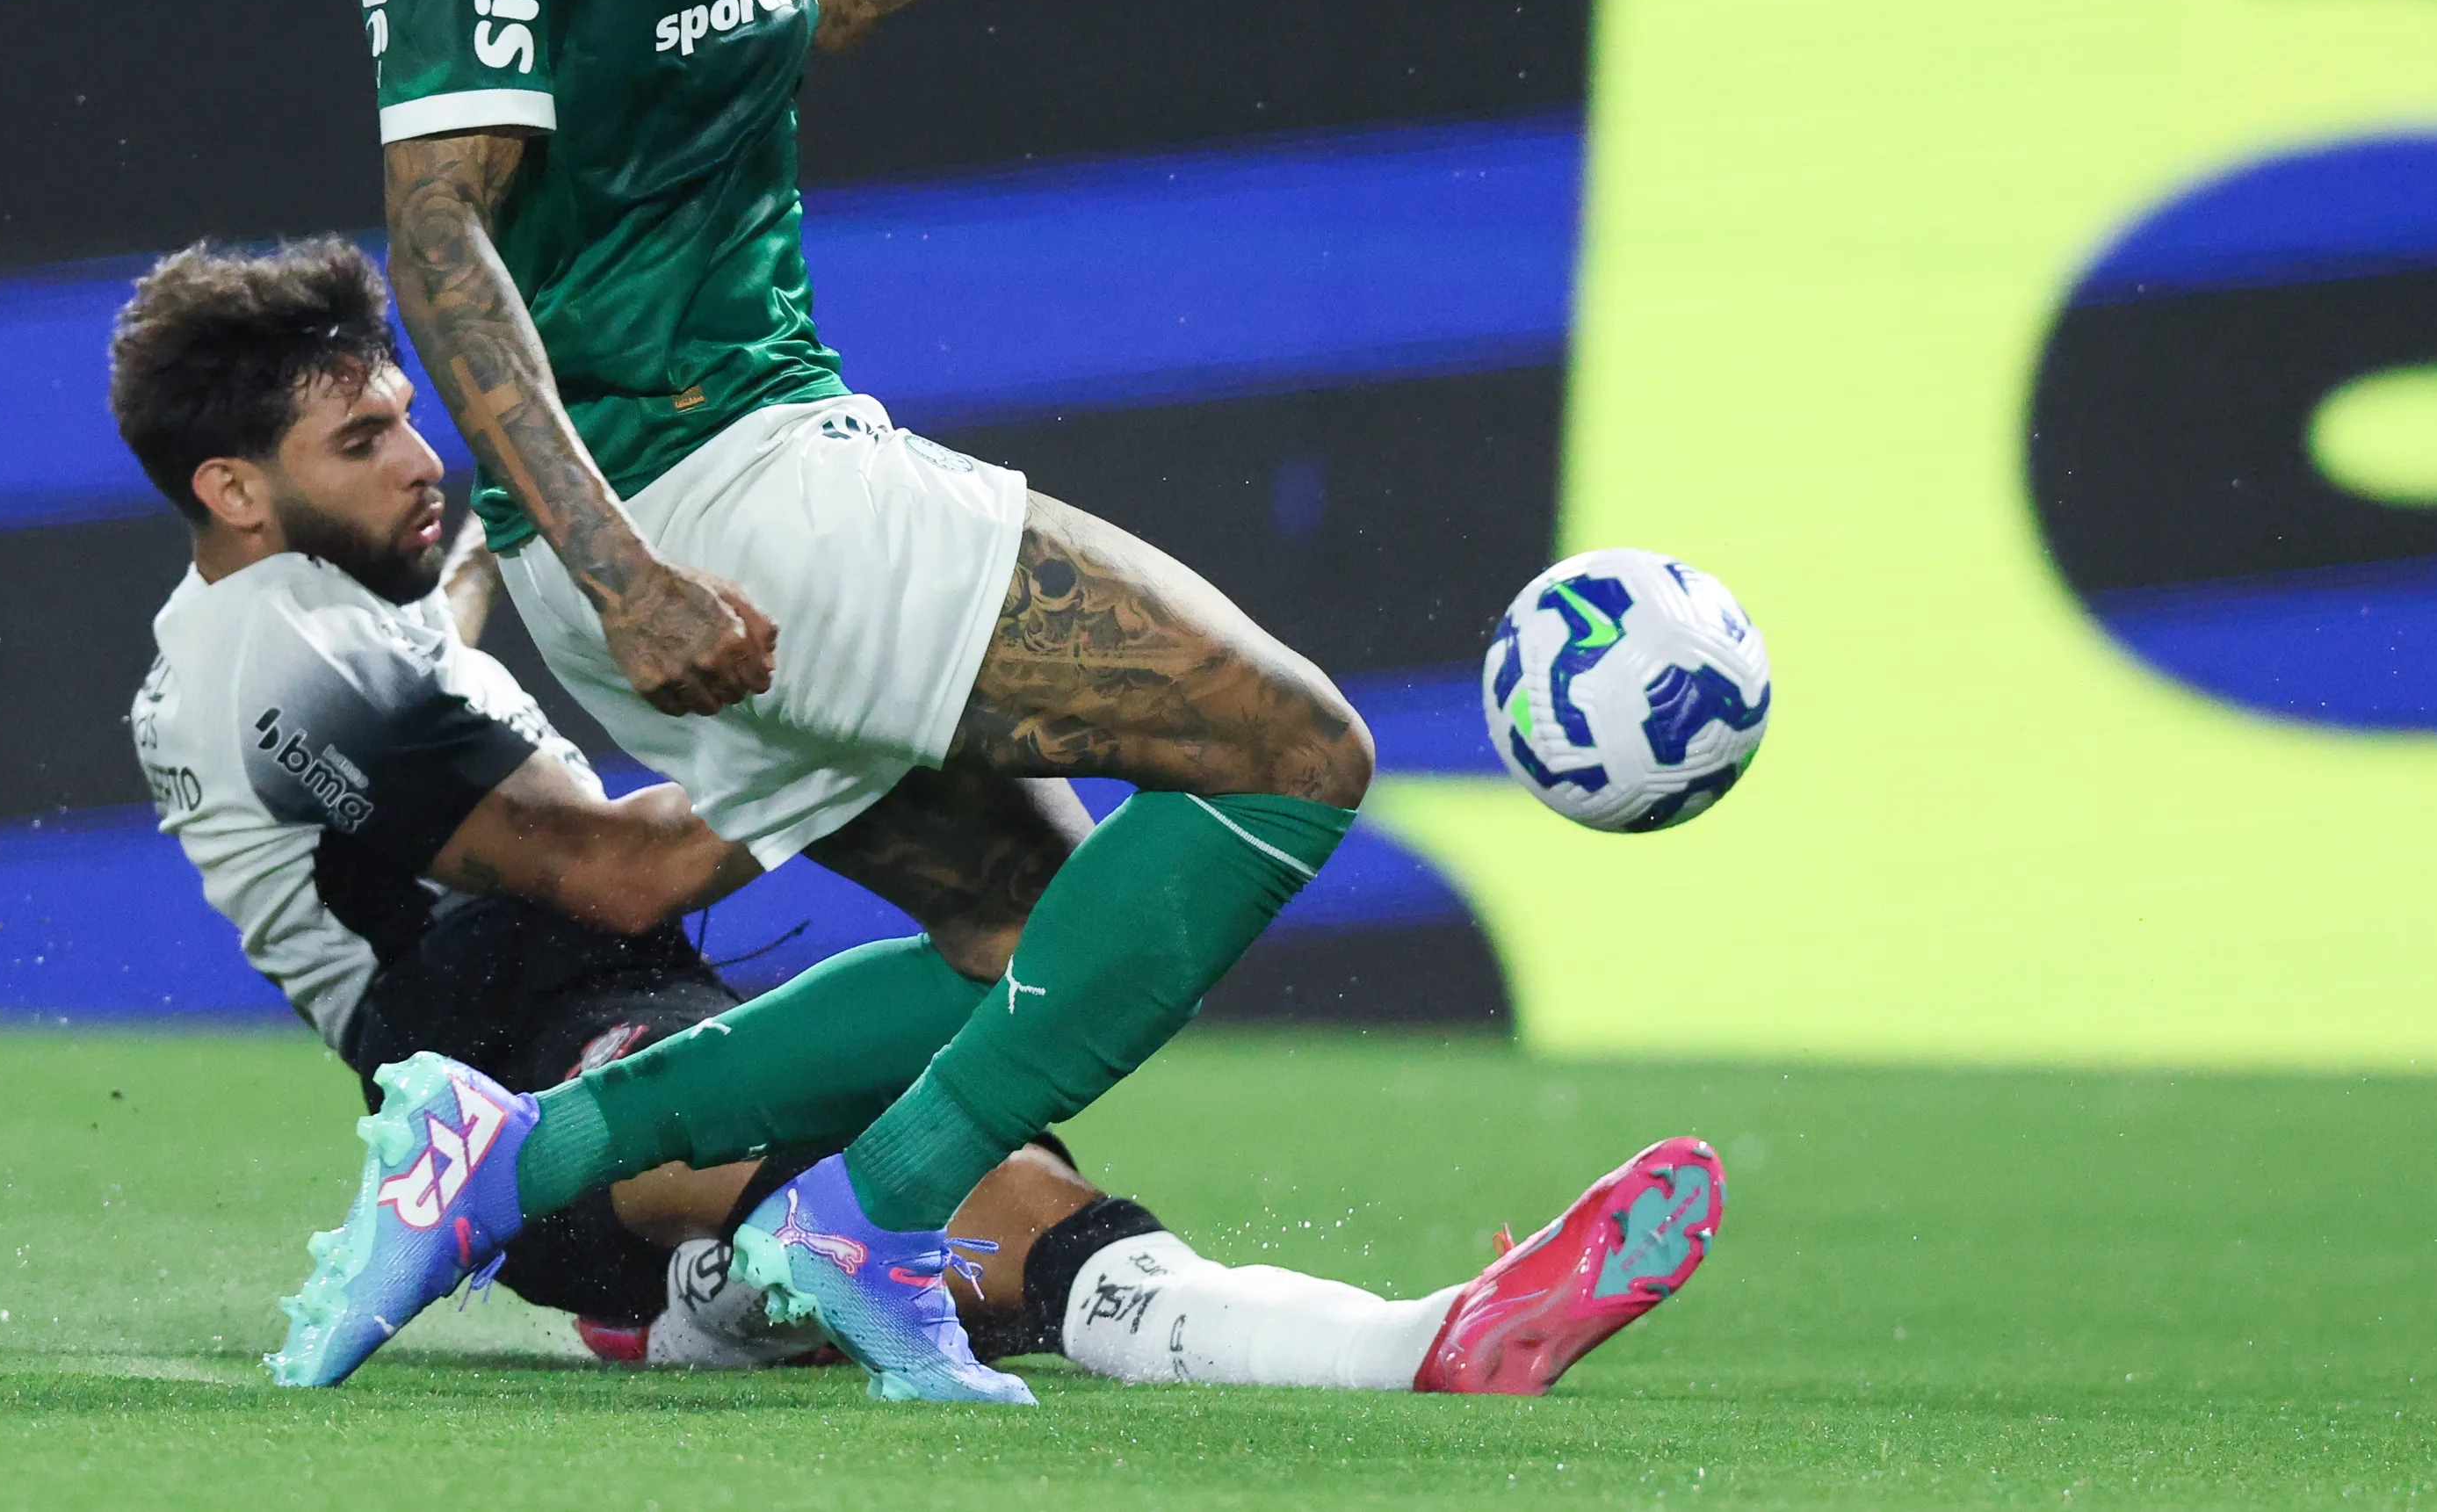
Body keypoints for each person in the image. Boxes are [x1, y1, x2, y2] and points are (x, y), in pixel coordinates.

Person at [288, 0, 1719, 1402]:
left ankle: (520, 1154)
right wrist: (613, 563)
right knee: (1288, 749)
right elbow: (438, 228)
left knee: (1026, 933)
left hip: (731, 478)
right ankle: (864, 1216)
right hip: (701, 493)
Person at [105, 238, 1725, 1396]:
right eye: (364, 441)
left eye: (408, 414)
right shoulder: (277, 657)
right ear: (232, 491)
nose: (422, 459)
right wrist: (869, 694)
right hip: (503, 1025)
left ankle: (702, 1298)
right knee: (989, 1205)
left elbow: (439, 663)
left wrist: (512, 554)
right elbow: (613, 873)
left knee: (1014, 983)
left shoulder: (307, 613)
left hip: (611, 1007)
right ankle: (1416, 1350)